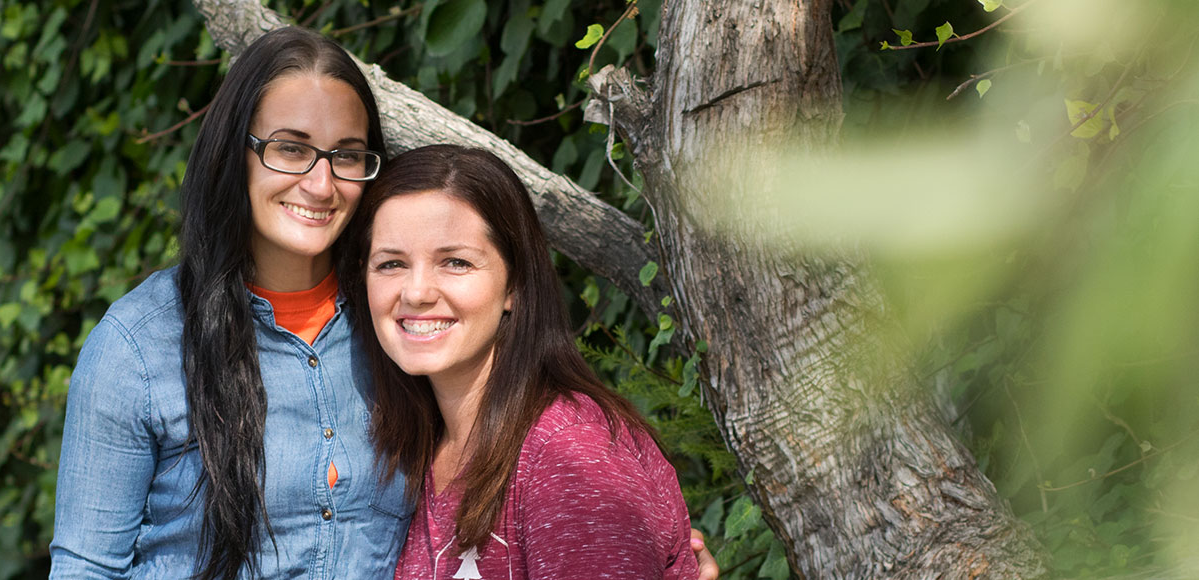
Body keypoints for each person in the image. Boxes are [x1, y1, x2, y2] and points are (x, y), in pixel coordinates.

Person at [49, 26, 719, 580]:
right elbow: (85, 566)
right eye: (290, 149)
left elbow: (549, 472)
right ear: (237, 153)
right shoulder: (139, 347)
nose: (319, 182)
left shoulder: (397, 326)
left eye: (346, 155)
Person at [348, 144, 700, 579]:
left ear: (514, 284)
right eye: (391, 264)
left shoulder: (571, 455)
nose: (417, 292)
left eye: (455, 262)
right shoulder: (415, 453)